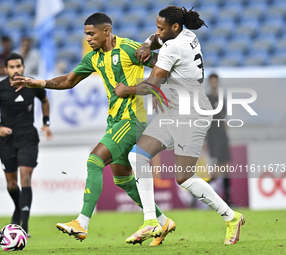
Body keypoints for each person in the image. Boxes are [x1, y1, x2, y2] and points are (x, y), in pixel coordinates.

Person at [11, 13, 174, 245]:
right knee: (122, 179)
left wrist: (137, 85)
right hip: (115, 120)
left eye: (91, 33)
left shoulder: (129, 49)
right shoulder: (94, 58)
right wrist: (39, 83)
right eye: (86, 34)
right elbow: (69, 80)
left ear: (106, 31)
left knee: (94, 160)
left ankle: (82, 223)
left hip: (131, 120)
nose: (88, 38)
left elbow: (163, 68)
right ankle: (162, 220)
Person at [113, 6, 245, 245]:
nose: (157, 32)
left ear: (174, 27)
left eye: (161, 28)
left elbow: (151, 85)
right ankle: (151, 221)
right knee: (137, 157)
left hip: (192, 114)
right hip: (173, 110)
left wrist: (126, 90)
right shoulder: (187, 36)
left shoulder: (174, 46)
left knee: (184, 178)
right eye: (156, 27)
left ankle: (232, 217)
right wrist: (145, 44)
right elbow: (156, 43)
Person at [0, 53, 53, 237]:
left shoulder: (32, 84)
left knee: (25, 177)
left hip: (28, 137)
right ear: (6, 69)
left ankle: (24, 226)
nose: (16, 70)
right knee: (11, 183)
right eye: (12, 67)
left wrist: (46, 123)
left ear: (23, 68)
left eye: (19, 66)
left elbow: (45, 100)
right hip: (7, 139)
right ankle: (18, 208)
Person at [206, 73, 232, 206]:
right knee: (217, 168)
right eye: (212, 81)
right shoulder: (206, 99)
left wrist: (227, 136)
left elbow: (224, 119)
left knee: (226, 165)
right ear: (209, 83)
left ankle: (228, 200)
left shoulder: (223, 99)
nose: (214, 83)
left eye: (216, 81)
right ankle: (201, 193)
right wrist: (204, 140)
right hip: (212, 136)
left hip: (222, 137)